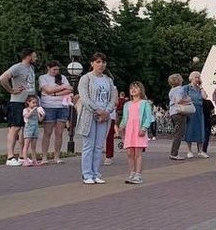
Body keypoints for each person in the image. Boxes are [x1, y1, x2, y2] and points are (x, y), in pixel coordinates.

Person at [76, 53, 118, 184]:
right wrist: (97, 110)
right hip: (90, 115)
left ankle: (96, 173)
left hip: (104, 116)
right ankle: (86, 174)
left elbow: (112, 97)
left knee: (99, 146)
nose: (101, 65)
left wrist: (107, 111)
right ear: (92, 63)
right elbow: (84, 97)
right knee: (89, 145)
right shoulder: (86, 78)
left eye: (103, 62)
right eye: (98, 62)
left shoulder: (108, 80)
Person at [0, 48, 37, 166]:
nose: (36, 58)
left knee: (25, 129)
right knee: (15, 128)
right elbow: (2, 78)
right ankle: (10, 157)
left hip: (28, 102)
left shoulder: (31, 68)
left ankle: (22, 155)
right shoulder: (17, 67)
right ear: (28, 56)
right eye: (34, 56)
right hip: (17, 102)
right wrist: (11, 90)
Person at [38, 61, 73, 164]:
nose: (56, 72)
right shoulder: (43, 78)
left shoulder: (63, 78)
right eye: (54, 69)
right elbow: (47, 90)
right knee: (47, 132)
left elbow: (69, 89)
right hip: (49, 106)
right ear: (48, 68)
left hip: (62, 106)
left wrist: (54, 93)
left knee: (59, 133)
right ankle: (44, 156)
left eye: (57, 69)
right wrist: (62, 88)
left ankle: (57, 155)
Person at [120, 81, 154, 184]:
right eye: (131, 88)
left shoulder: (145, 103)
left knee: (138, 153)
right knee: (130, 153)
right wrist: (121, 127)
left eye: (136, 88)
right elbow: (125, 117)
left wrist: (144, 127)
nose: (133, 90)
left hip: (139, 130)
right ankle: (132, 172)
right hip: (129, 130)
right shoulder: (127, 104)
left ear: (141, 90)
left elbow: (148, 117)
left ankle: (138, 175)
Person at [167, 74, 192, 160]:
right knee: (179, 133)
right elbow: (179, 100)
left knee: (177, 132)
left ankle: (174, 152)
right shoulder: (180, 89)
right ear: (179, 80)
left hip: (173, 112)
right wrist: (189, 100)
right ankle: (174, 153)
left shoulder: (172, 90)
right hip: (179, 112)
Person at [184, 71, 208, 158]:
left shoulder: (199, 89)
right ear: (191, 78)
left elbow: (205, 97)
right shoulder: (186, 87)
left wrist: (201, 87)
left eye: (198, 77)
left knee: (200, 130)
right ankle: (189, 151)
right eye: (196, 77)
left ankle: (200, 151)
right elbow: (183, 97)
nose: (197, 79)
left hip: (199, 110)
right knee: (189, 129)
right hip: (190, 110)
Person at [20, 94, 44, 166]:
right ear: (28, 102)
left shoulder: (36, 111)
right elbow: (27, 116)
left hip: (35, 128)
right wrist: (32, 110)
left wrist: (43, 115)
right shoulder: (25, 110)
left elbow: (39, 120)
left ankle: (34, 160)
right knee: (26, 145)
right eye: (33, 103)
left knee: (34, 146)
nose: (35, 104)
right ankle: (25, 160)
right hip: (28, 128)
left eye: (36, 103)